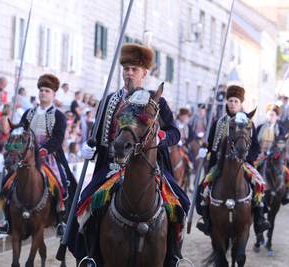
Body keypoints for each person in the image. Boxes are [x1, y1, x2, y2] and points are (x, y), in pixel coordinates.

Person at [68, 43, 189, 266]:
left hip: (150, 167)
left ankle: (172, 255)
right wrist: (90, 147)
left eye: (134, 69)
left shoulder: (157, 102)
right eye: (126, 69)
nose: (129, 73)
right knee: (84, 204)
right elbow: (97, 132)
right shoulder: (109, 101)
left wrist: (161, 137)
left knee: (180, 203)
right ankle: (89, 256)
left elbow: (174, 132)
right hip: (111, 167)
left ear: (144, 73)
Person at [0, 74, 76, 236]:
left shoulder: (59, 116)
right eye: (41, 90)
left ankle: (61, 218)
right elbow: (20, 131)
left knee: (62, 179)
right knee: (7, 180)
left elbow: (57, 138)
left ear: (53, 94)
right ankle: (7, 219)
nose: (43, 93)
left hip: (49, 155)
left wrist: (43, 151)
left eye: (47, 91)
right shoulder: (28, 113)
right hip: (27, 154)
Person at [196, 85, 270, 236]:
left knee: (260, 183)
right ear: (227, 102)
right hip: (219, 165)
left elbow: (255, 146)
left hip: (243, 164)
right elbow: (211, 143)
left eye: (236, 101)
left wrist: (247, 158)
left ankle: (259, 220)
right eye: (230, 100)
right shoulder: (218, 122)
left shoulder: (248, 122)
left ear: (240, 103)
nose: (233, 103)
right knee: (203, 186)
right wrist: (205, 148)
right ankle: (206, 220)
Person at [256, 104, 289, 204]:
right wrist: (260, 154)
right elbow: (255, 143)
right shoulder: (260, 127)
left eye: (273, 115)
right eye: (269, 114)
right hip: (260, 156)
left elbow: (281, 145)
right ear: (266, 115)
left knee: (287, 173)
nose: (271, 117)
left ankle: (284, 195)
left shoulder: (281, 129)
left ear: (277, 116)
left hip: (275, 157)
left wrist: (273, 153)